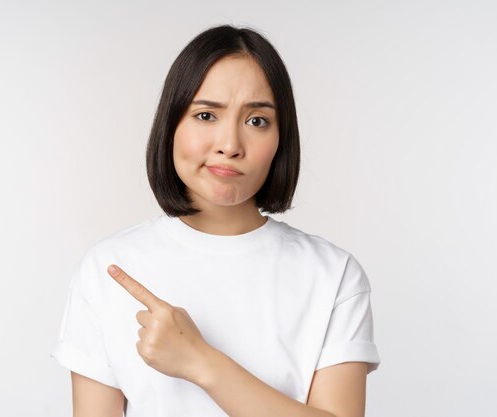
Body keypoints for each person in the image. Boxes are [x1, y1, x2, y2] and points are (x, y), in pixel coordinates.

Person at [51, 24, 381, 417]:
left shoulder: (333, 275)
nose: (229, 145)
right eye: (206, 115)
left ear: (281, 139)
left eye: (256, 121)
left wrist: (200, 362)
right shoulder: (109, 269)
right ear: (171, 124)